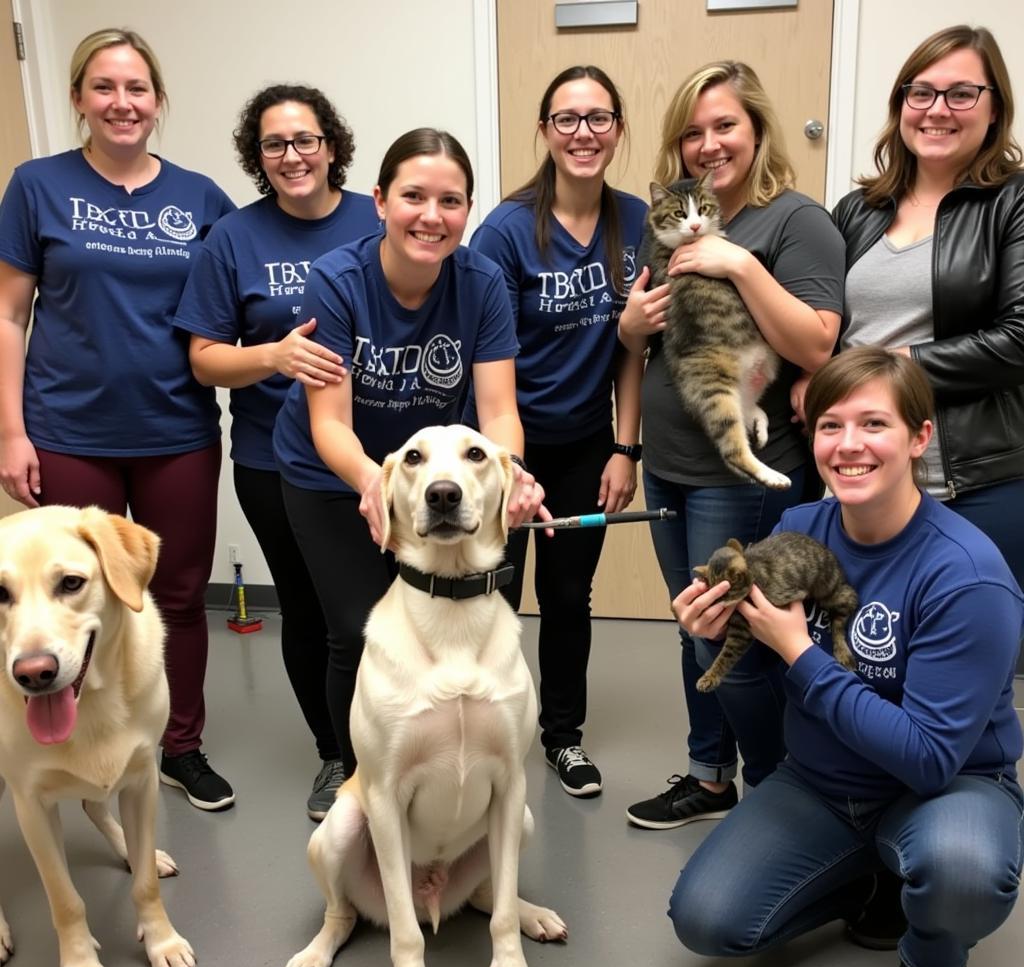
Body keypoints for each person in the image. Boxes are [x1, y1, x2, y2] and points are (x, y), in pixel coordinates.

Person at [668, 347, 1023, 967]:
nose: (848, 445)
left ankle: (931, 965)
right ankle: (871, 875)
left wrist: (801, 651)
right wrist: (710, 633)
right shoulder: (798, 527)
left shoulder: (966, 575)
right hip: (826, 785)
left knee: (963, 873)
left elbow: (927, 757)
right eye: (830, 426)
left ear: (920, 437)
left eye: (874, 425)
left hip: (945, 788)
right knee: (707, 922)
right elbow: (761, 670)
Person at [0, 28, 235, 810]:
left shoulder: (200, 198)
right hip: (67, 430)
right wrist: (9, 431)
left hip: (176, 430)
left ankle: (180, 746)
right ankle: (77, 746)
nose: (122, 102)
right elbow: (9, 313)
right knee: (64, 599)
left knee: (176, 592)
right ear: (78, 100)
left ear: (158, 102)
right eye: (103, 87)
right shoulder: (37, 185)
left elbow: (239, 301)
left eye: (137, 89)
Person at [271, 128, 548, 779]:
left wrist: (508, 476)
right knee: (358, 628)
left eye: (451, 201)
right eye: (414, 196)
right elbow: (331, 423)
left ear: (467, 212)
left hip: (435, 474)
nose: (432, 216)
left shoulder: (480, 285)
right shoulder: (337, 282)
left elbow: (499, 409)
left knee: (452, 617)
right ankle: (350, 766)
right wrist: (376, 484)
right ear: (379, 201)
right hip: (334, 473)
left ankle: (446, 752)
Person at [617, 61, 845, 827]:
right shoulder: (674, 219)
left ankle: (784, 791)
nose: (708, 144)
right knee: (696, 627)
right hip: (672, 465)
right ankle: (709, 776)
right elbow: (646, 342)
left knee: (741, 639)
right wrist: (627, 331)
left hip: (741, 472)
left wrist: (740, 263)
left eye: (725, 126)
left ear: (757, 129)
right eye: (692, 132)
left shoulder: (794, 221)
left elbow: (817, 346)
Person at [174, 85, 380, 821]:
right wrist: (275, 357)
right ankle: (336, 754)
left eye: (305, 139)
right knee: (314, 611)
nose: (292, 155)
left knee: (388, 611)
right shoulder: (234, 237)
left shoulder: (375, 216)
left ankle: (398, 745)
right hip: (275, 460)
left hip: (381, 458)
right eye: (274, 144)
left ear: (331, 145)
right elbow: (203, 359)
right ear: (256, 157)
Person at [468, 66, 646, 798]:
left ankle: (561, 738)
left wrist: (624, 446)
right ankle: (489, 739)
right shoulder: (507, 231)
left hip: (585, 443)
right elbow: (491, 362)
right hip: (508, 445)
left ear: (617, 128)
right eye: (566, 119)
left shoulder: (635, 220)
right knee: (497, 594)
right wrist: (508, 470)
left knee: (570, 595)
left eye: (598, 118)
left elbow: (634, 346)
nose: (583, 133)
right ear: (544, 130)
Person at [831, 24, 1024, 588]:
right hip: (863, 476)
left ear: (994, 109)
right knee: (860, 653)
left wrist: (891, 370)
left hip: (973, 481)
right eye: (921, 93)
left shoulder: (1013, 202)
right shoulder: (856, 210)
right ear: (901, 106)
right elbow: (824, 325)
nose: (937, 110)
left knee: (969, 664)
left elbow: (1019, 338)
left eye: (961, 93)